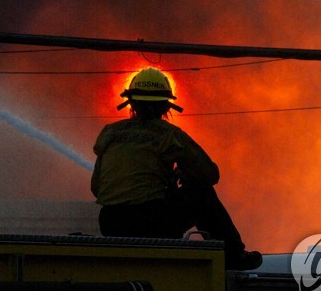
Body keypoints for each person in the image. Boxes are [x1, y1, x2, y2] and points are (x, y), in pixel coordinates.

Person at [91, 67, 261, 270]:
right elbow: (210, 174)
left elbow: (96, 187)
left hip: (111, 223)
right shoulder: (170, 135)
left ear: (131, 102)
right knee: (201, 193)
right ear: (166, 105)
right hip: (150, 223)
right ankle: (234, 255)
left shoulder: (110, 133)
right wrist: (185, 173)